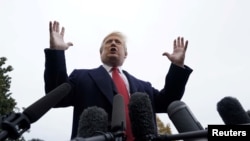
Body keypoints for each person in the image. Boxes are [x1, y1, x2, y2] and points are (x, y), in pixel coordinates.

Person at [44, 20, 193, 140]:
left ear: (125, 54)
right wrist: (56, 52)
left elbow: (169, 101)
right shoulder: (81, 77)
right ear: (101, 52)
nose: (113, 43)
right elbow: (55, 97)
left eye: (118, 42)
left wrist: (177, 67)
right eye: (109, 42)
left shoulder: (144, 87)